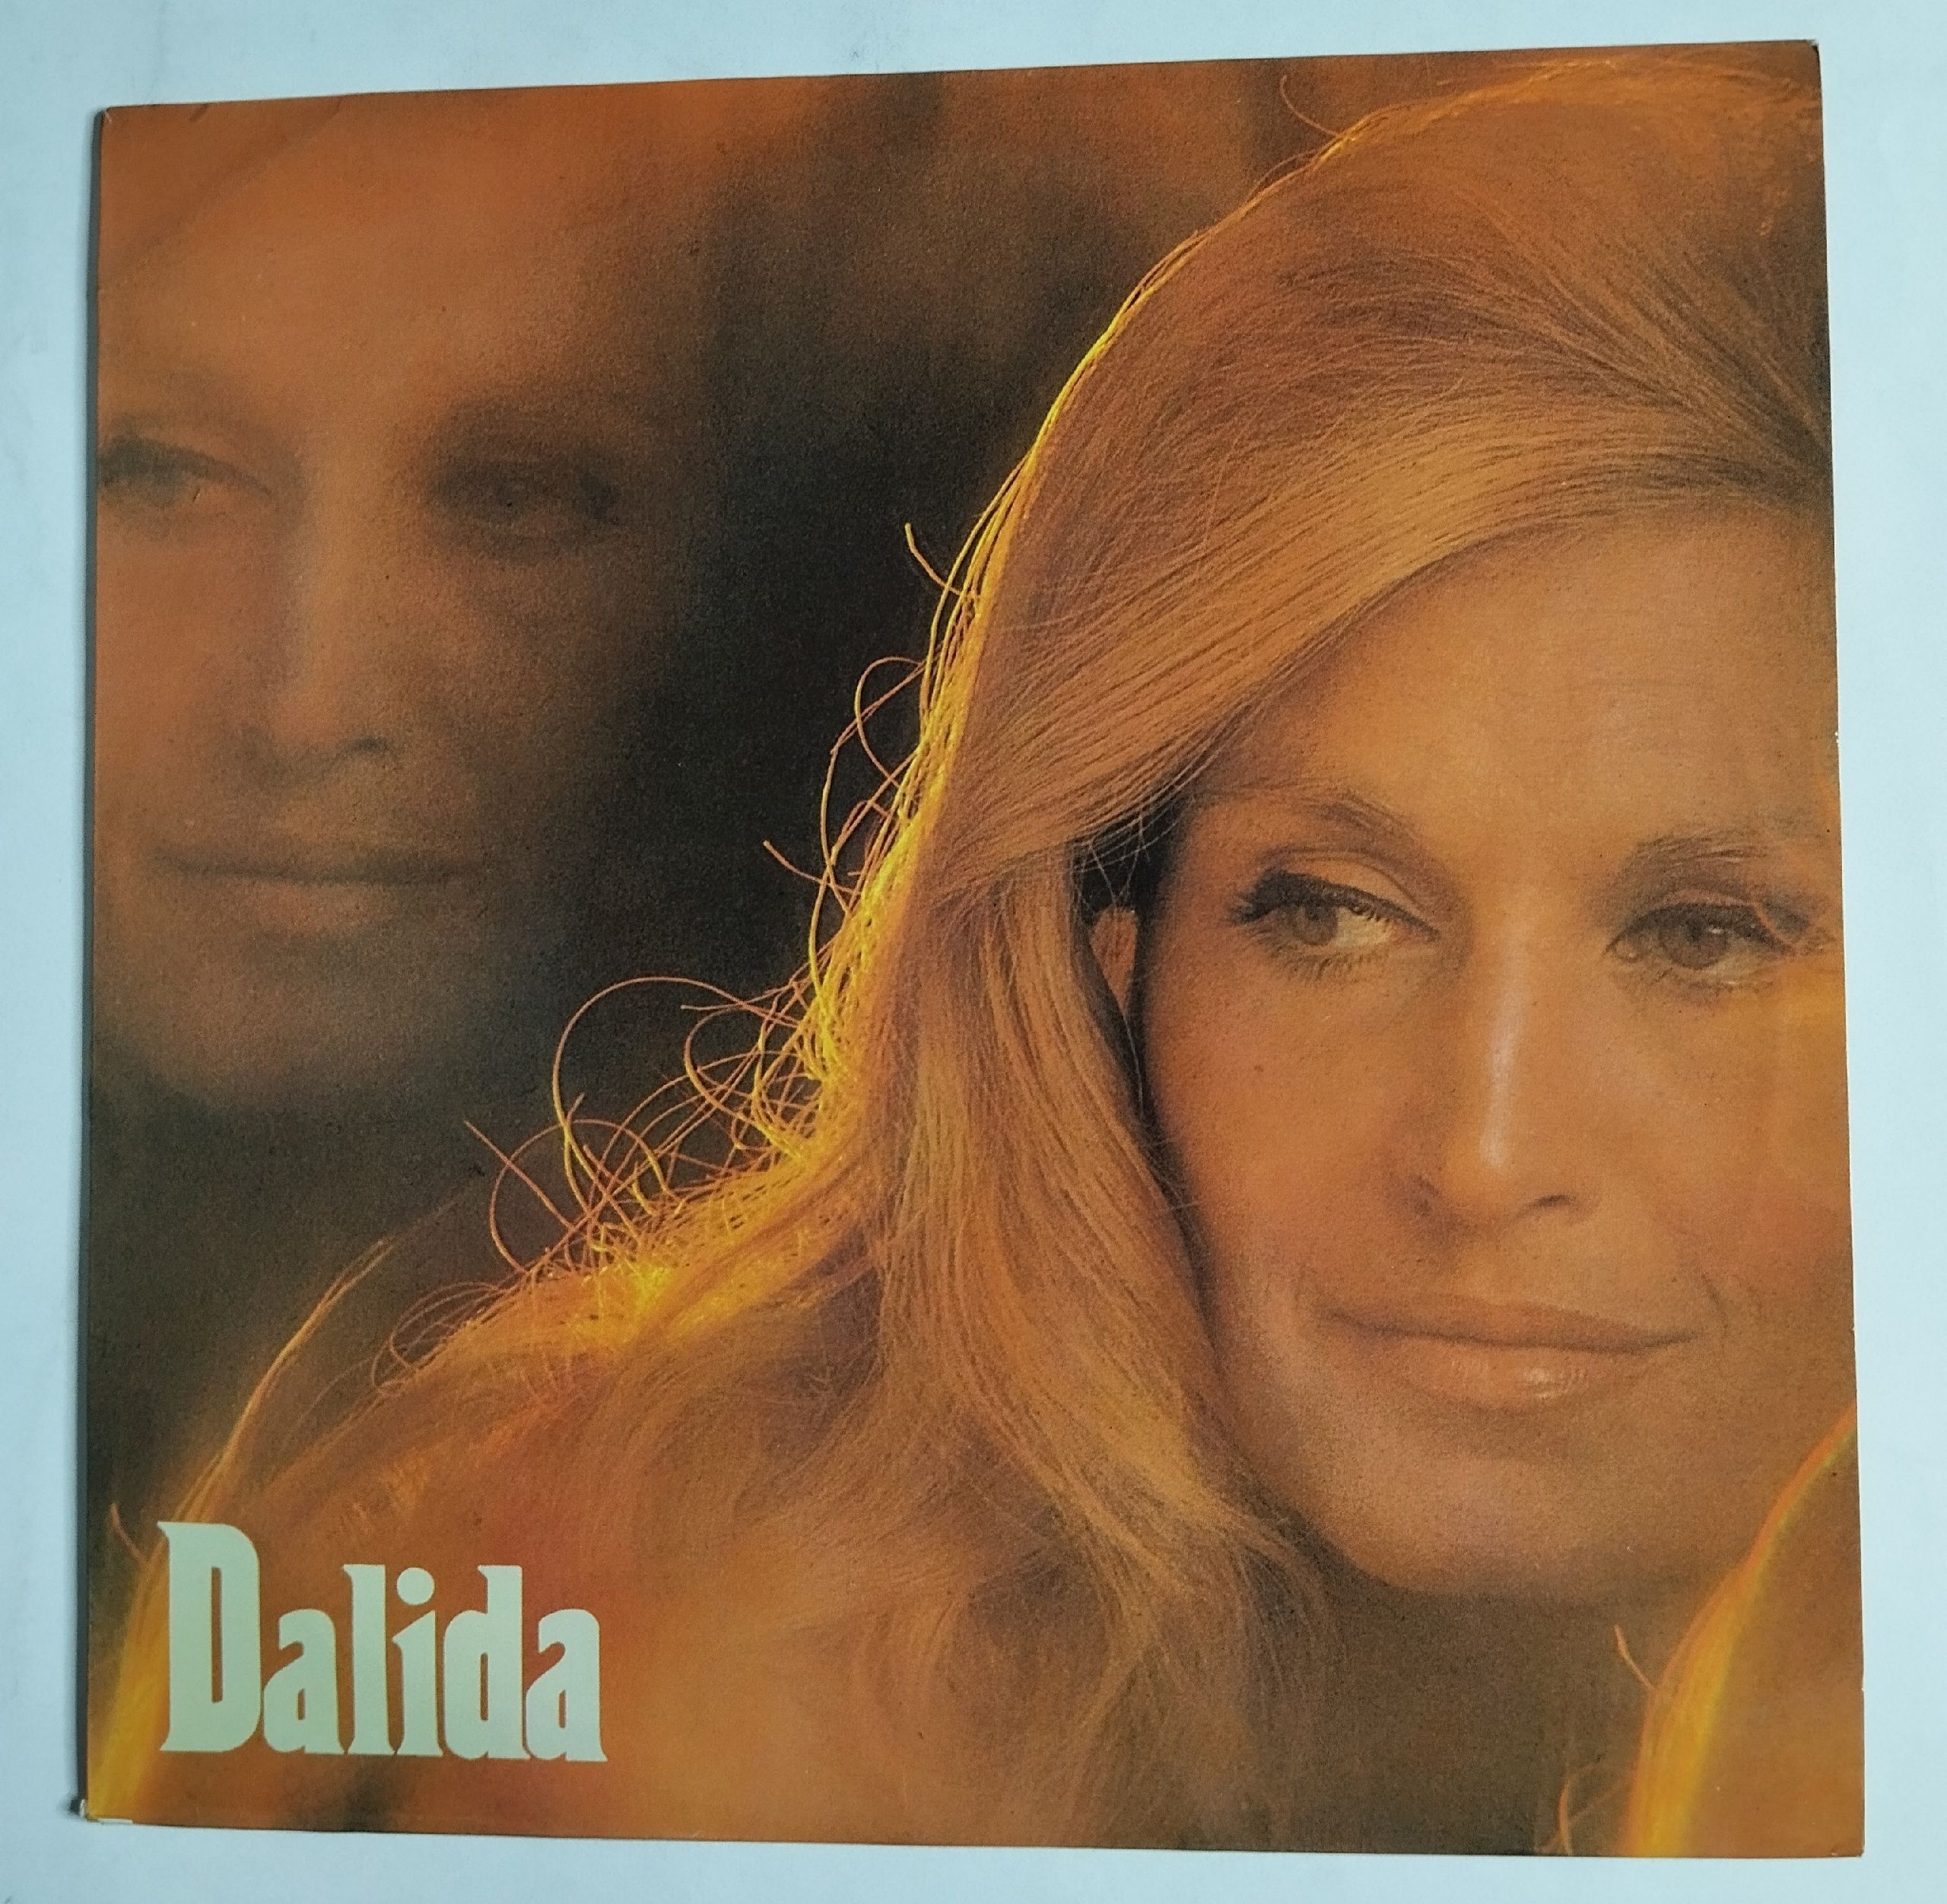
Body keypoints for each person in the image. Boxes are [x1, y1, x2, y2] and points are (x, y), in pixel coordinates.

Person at [95, 51, 1856, 1855]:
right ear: (1105, 955)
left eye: (1703, 938)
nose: (1480, 1157)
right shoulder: (621, 1684)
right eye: (1324, 911)